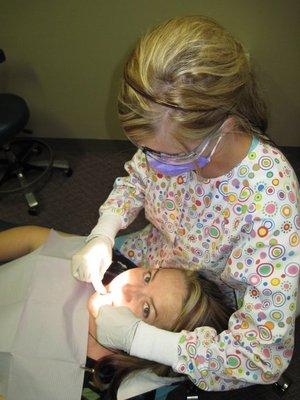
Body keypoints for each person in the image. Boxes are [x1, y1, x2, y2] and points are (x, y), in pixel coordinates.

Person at [71, 15, 300, 391]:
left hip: (196, 307)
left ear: (225, 126)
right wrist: (105, 230)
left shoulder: (269, 202)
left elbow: (262, 359)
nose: (154, 162)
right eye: (146, 149)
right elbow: (138, 180)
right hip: (153, 258)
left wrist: (141, 340)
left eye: (168, 154)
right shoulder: (169, 139)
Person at [0, 226, 232, 400]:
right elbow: (34, 240)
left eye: (146, 309)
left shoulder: (96, 386)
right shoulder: (110, 265)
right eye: (148, 277)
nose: (127, 287)